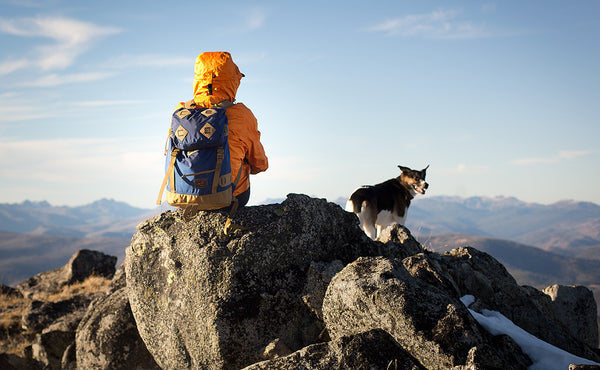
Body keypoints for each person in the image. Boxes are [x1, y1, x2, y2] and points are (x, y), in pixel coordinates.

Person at [176, 51, 268, 208]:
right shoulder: (242, 115)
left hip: (184, 194)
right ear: (232, 82)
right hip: (229, 198)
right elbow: (259, 164)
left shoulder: (181, 111)